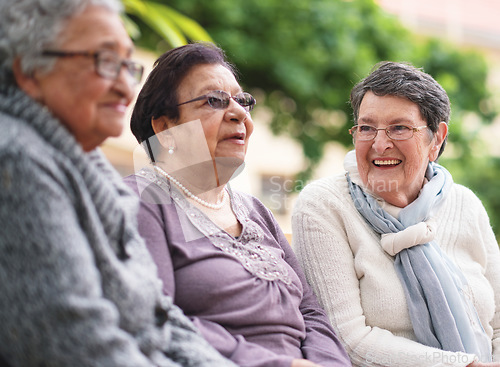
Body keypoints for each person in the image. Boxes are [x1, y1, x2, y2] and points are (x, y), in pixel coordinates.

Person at [0, 1, 240, 366]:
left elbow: (159, 316)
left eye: (128, 66)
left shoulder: (87, 163)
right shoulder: (16, 160)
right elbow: (74, 343)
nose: (126, 88)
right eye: (105, 61)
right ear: (29, 72)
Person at [123, 42, 351, 367]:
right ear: (166, 129)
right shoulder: (143, 202)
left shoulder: (256, 211)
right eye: (214, 101)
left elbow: (310, 311)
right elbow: (154, 316)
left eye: (243, 101)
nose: (240, 113)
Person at [291, 61, 500, 367]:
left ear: (437, 138)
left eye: (399, 128)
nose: (379, 144)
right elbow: (346, 339)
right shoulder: (324, 205)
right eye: (366, 128)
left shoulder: (464, 204)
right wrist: (461, 365)